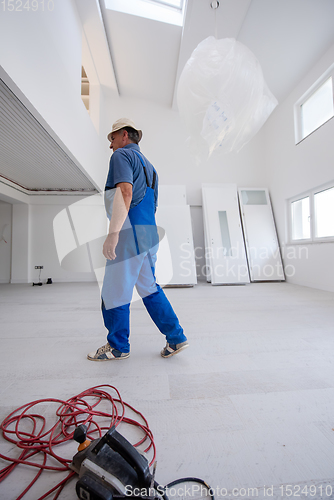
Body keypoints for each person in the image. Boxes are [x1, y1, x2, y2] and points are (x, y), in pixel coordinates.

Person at [87, 118, 188, 361]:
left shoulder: (121, 157)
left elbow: (125, 192)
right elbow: (152, 205)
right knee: (149, 288)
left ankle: (117, 346)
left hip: (128, 234)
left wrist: (113, 235)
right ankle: (175, 337)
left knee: (114, 291)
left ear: (123, 135)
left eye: (112, 139)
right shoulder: (151, 167)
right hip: (148, 234)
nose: (110, 146)